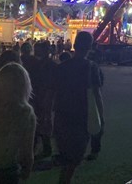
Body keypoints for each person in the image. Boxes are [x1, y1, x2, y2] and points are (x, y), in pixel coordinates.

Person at [53, 31, 104, 184]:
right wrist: (101, 116)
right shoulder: (91, 68)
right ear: (90, 47)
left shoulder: (62, 67)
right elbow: (97, 94)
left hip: (62, 114)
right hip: (81, 115)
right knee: (74, 159)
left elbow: (53, 91)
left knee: (67, 157)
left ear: (74, 45)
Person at [31, 41, 56, 159]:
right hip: (37, 96)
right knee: (39, 122)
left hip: (44, 96)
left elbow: (52, 84)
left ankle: (44, 147)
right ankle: (40, 147)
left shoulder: (49, 65)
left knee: (43, 121)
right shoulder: (38, 64)